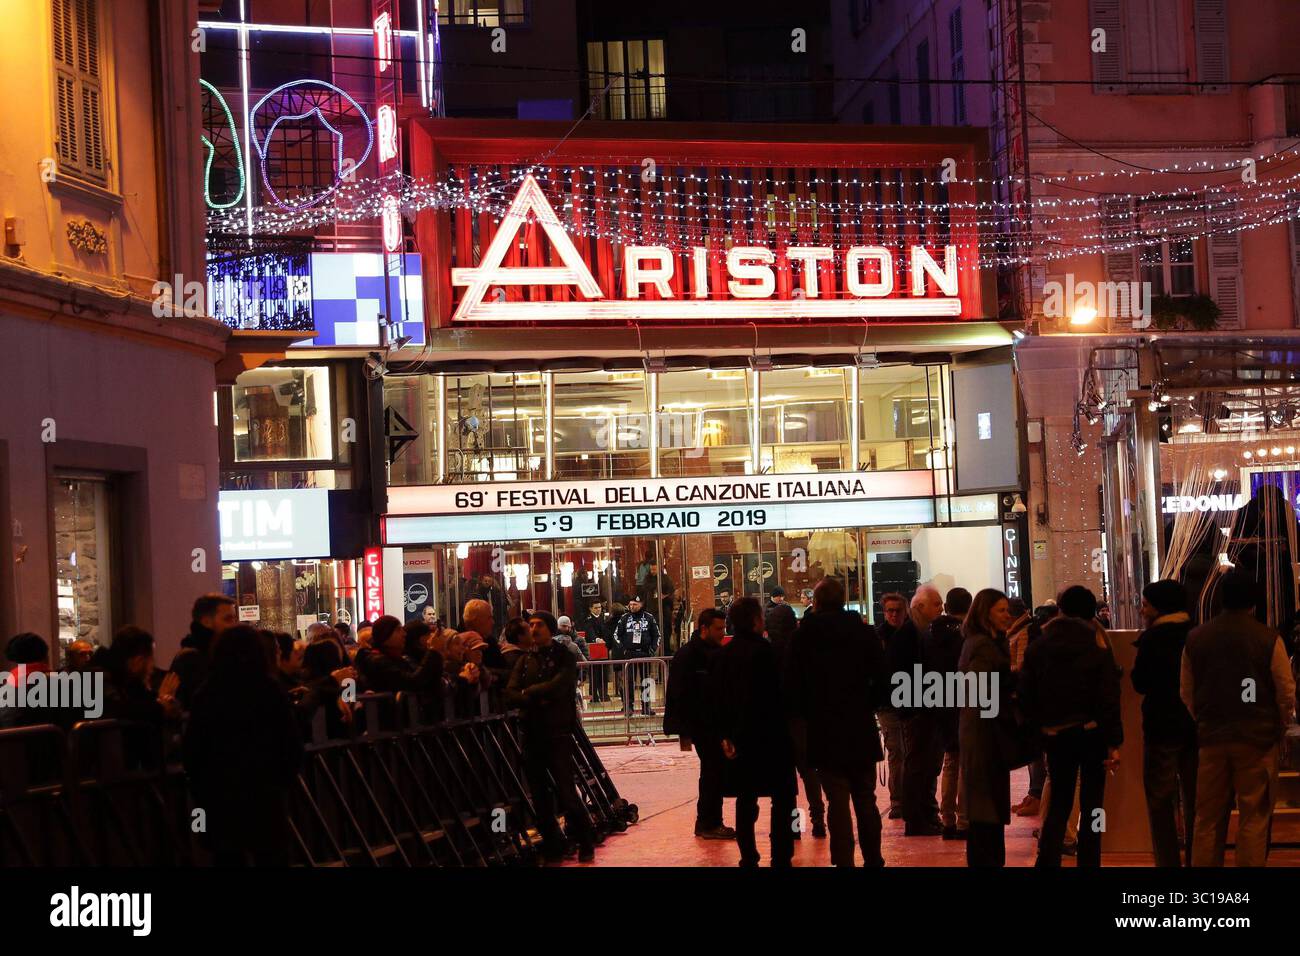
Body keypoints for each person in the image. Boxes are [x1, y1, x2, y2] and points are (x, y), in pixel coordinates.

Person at [1181, 569, 1295, 866]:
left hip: (1211, 738)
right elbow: (1285, 690)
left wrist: (1204, 720)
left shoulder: (1195, 638)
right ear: (1254, 602)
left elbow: (1187, 692)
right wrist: (1280, 725)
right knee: (1254, 816)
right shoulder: (1268, 639)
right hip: (1257, 740)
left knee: (1207, 818)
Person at [787, 578, 889, 866]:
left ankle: (843, 859)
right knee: (865, 799)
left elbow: (793, 686)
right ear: (843, 600)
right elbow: (883, 679)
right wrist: (867, 703)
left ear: (816, 603)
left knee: (837, 801)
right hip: (859, 726)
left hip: (824, 728)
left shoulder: (803, 637)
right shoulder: (863, 633)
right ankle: (874, 858)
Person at [182, 624, 304, 866]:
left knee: (227, 856)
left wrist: (201, 790)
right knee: (271, 856)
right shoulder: (269, 690)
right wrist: (284, 779)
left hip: (220, 794)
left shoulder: (207, 693)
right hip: (265, 792)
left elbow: (194, 750)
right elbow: (289, 742)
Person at [1019, 585, 1122, 868]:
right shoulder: (1097, 645)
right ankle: (1090, 860)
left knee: (1059, 803)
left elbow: (1027, 694)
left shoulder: (1039, 645)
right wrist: (1114, 741)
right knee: (1093, 807)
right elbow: (1108, 697)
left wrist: (1039, 730)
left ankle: (1047, 858)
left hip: (1056, 737)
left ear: (1061, 609)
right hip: (1092, 734)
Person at [711, 597, 797, 867]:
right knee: (782, 798)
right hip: (773, 737)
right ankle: (781, 855)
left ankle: (748, 854)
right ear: (757, 621)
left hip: (741, 738)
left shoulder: (723, 656)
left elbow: (717, 700)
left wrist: (724, 734)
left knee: (744, 799)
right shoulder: (771, 653)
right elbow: (783, 695)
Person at [505, 611, 595, 863]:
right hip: (532, 731)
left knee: (566, 792)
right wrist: (534, 697)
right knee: (539, 795)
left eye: (538, 625)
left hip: (557, 733)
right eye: (531, 625)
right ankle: (553, 845)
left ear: (550, 628)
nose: (533, 629)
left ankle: (585, 839)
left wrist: (530, 691)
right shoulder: (526, 660)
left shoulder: (564, 656)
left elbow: (560, 685)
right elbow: (510, 692)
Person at [1132, 579, 1197, 867]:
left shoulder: (1152, 639)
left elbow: (1141, 682)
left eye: (1146, 605)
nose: (1143, 610)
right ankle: (1199, 857)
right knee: (1196, 800)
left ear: (1159, 607)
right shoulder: (1195, 635)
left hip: (1161, 727)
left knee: (1160, 801)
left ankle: (1168, 861)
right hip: (1195, 728)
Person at [664, 608, 734, 840]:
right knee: (713, 771)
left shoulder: (708, 653)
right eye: (718, 629)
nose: (722, 633)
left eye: (723, 628)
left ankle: (710, 821)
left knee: (713, 771)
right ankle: (708, 822)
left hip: (708, 723)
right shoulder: (690, 656)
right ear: (704, 628)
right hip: (703, 723)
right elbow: (679, 693)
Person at [958, 588, 1015, 866]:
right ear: (986, 613)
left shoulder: (986, 642)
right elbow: (980, 689)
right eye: (1001, 610)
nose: (1008, 615)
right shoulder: (983, 645)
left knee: (986, 804)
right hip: (984, 732)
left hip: (983, 730)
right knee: (985, 804)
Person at [766, 584, 824, 839]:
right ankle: (818, 818)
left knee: (785, 779)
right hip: (802, 718)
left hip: (778, 722)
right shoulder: (804, 650)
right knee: (809, 772)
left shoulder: (767, 653)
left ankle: (793, 827)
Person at [891, 584, 946, 836]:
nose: (941, 608)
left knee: (926, 764)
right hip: (917, 708)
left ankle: (926, 813)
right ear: (920, 607)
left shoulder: (920, 631)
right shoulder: (910, 634)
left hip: (922, 707)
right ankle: (917, 818)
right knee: (918, 764)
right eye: (937, 604)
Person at [104, 627, 181, 767]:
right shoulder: (101, 680)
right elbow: (120, 708)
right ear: (138, 662)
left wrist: (163, 701)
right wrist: (159, 706)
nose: (153, 666)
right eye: (151, 659)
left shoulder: (129, 683)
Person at [929, 587, 971, 840]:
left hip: (940, 702)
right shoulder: (967, 636)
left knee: (950, 761)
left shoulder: (931, 634)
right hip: (965, 703)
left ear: (945, 607)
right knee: (965, 763)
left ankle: (947, 819)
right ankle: (964, 820)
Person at [1009, 601, 1056, 816]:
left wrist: (999, 667)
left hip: (1024, 697)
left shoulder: (1025, 631)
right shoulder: (1017, 630)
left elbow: (1021, 665)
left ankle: (1036, 795)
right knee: (1031, 748)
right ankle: (1033, 793)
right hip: (1022, 696)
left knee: (1035, 749)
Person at [170, 594, 237, 711]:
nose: (234, 625)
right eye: (227, 619)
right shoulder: (191, 658)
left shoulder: (222, 654)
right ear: (206, 622)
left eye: (234, 619)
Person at [875, 591, 908, 819]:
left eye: (897, 610)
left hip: (910, 702)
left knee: (906, 753)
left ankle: (905, 800)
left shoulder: (912, 636)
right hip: (888, 704)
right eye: (890, 611)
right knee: (897, 752)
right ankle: (898, 801)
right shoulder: (879, 638)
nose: (894, 615)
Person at [355, 615, 444, 696]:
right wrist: (433, 651)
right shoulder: (378, 661)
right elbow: (412, 683)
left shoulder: (397, 658)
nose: (404, 634)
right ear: (385, 635)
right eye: (398, 630)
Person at [614, 596, 661, 715]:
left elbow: (657, 635)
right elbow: (616, 635)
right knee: (629, 681)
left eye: (635, 604)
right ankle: (629, 706)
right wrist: (623, 649)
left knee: (646, 680)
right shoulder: (624, 618)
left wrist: (653, 648)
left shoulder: (649, 617)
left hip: (645, 653)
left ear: (641, 604)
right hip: (630, 654)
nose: (632, 607)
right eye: (630, 604)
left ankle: (646, 706)